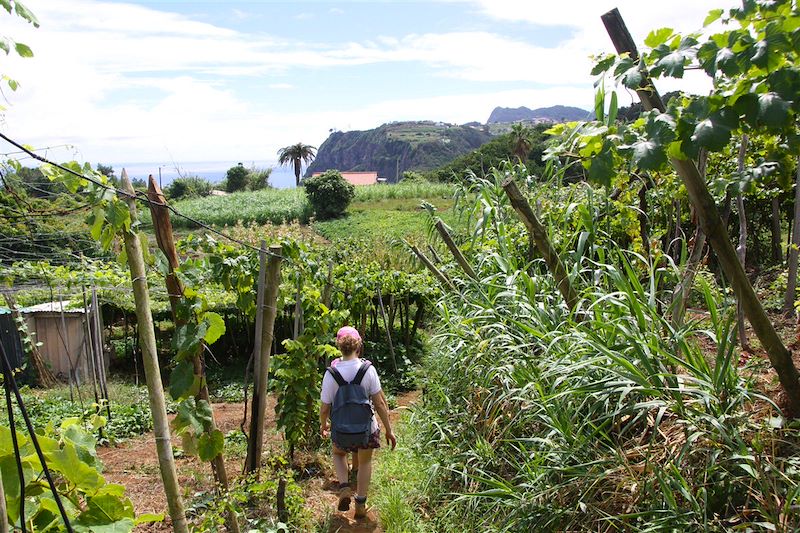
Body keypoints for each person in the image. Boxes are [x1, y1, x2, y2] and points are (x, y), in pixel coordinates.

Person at [320, 326, 397, 519]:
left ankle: (345, 486)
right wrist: (388, 430)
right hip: (366, 430)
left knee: (338, 454)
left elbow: (324, 407)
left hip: (341, 430)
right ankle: (361, 504)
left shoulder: (331, 373)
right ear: (358, 346)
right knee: (365, 462)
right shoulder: (367, 369)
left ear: (339, 346)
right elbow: (379, 403)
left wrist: (324, 425)